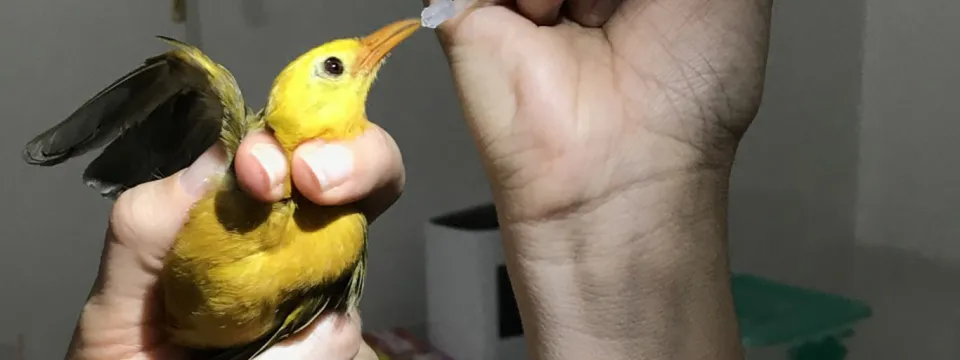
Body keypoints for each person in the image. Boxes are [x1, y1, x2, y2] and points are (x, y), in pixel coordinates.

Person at [65, 0, 772, 359]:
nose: (372, 52)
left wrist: (635, 193)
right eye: (338, 66)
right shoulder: (248, 168)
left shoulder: (340, 235)